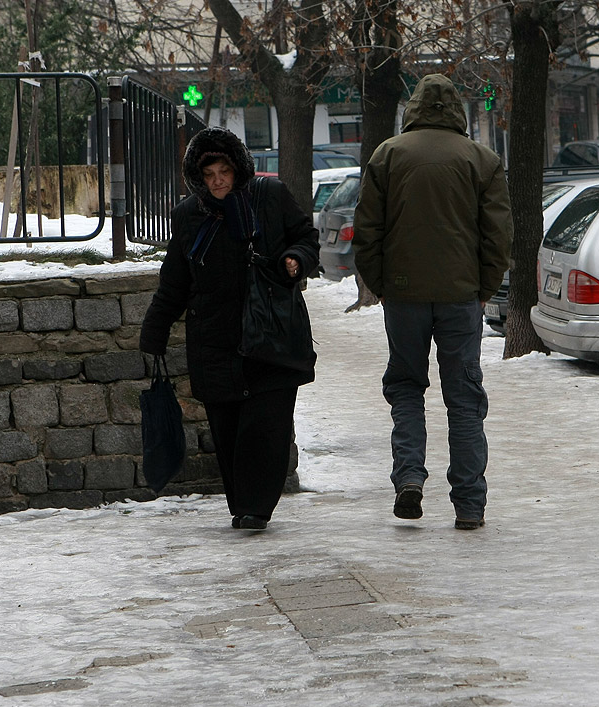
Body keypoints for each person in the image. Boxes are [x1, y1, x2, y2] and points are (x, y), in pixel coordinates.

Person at [352, 74, 513, 530]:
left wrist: (383, 284)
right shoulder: (482, 160)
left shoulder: (389, 154)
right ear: (457, 111)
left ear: (414, 108)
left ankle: (409, 478)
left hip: (403, 294)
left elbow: (367, 231)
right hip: (462, 296)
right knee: (463, 398)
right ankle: (469, 504)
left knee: (405, 387)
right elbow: (498, 236)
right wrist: (483, 289)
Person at [139, 127, 319, 531]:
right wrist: (155, 331)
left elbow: (306, 237)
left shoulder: (268, 198)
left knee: (266, 427)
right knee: (229, 430)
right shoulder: (189, 216)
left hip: (270, 333)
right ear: (198, 179)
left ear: (238, 170)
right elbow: (175, 281)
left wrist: (295, 259)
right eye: (210, 175)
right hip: (216, 340)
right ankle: (242, 506)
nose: (219, 181)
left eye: (225, 172)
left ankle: (256, 508)